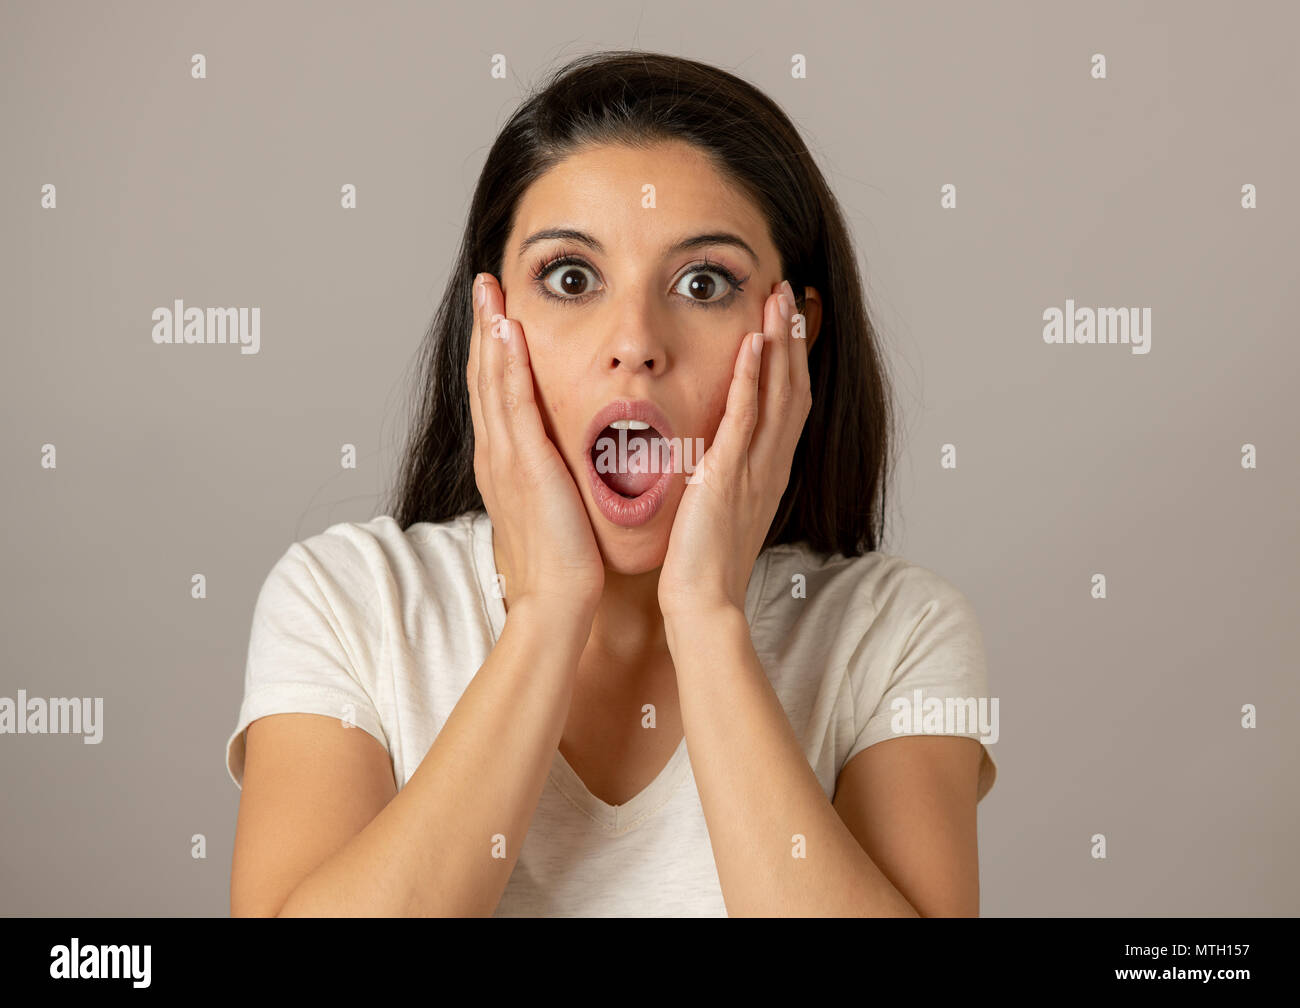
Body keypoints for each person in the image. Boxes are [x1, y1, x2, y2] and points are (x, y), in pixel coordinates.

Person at [225, 50, 997, 917]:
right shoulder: (346, 603)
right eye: (571, 278)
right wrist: (548, 610)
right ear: (490, 322)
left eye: (703, 283)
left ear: (793, 332)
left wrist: (707, 616)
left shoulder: (896, 634)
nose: (635, 340)